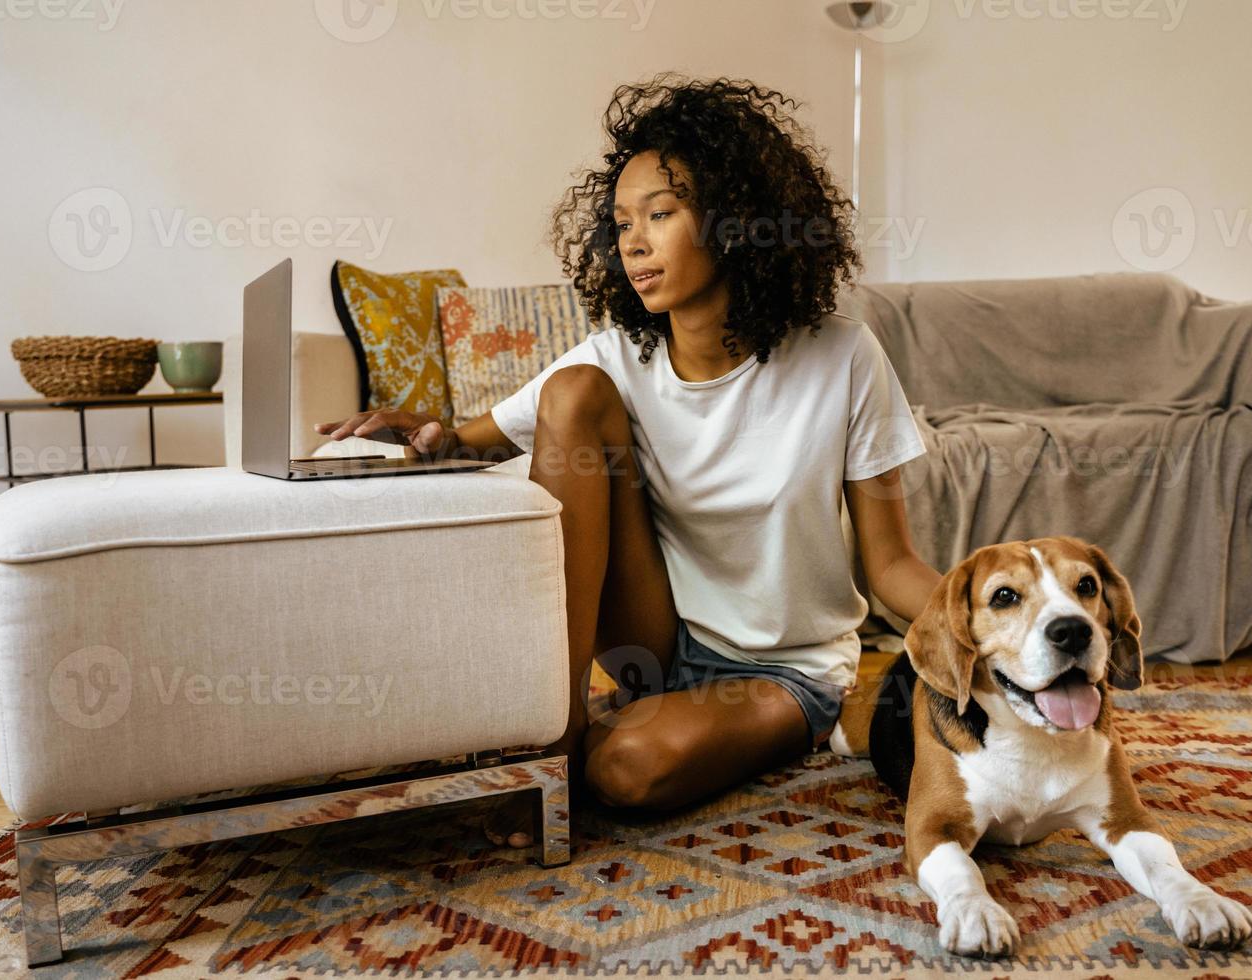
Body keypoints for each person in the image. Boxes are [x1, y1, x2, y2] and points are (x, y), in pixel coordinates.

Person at [316, 73, 944, 848]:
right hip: (655, 643)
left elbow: (891, 566)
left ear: (735, 218)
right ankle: (552, 730)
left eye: (661, 214)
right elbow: (477, 439)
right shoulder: (618, 356)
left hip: (786, 671)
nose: (634, 242)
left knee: (627, 770)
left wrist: (998, 618)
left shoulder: (842, 355)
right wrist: (426, 435)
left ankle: (623, 745)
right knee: (574, 393)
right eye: (620, 224)